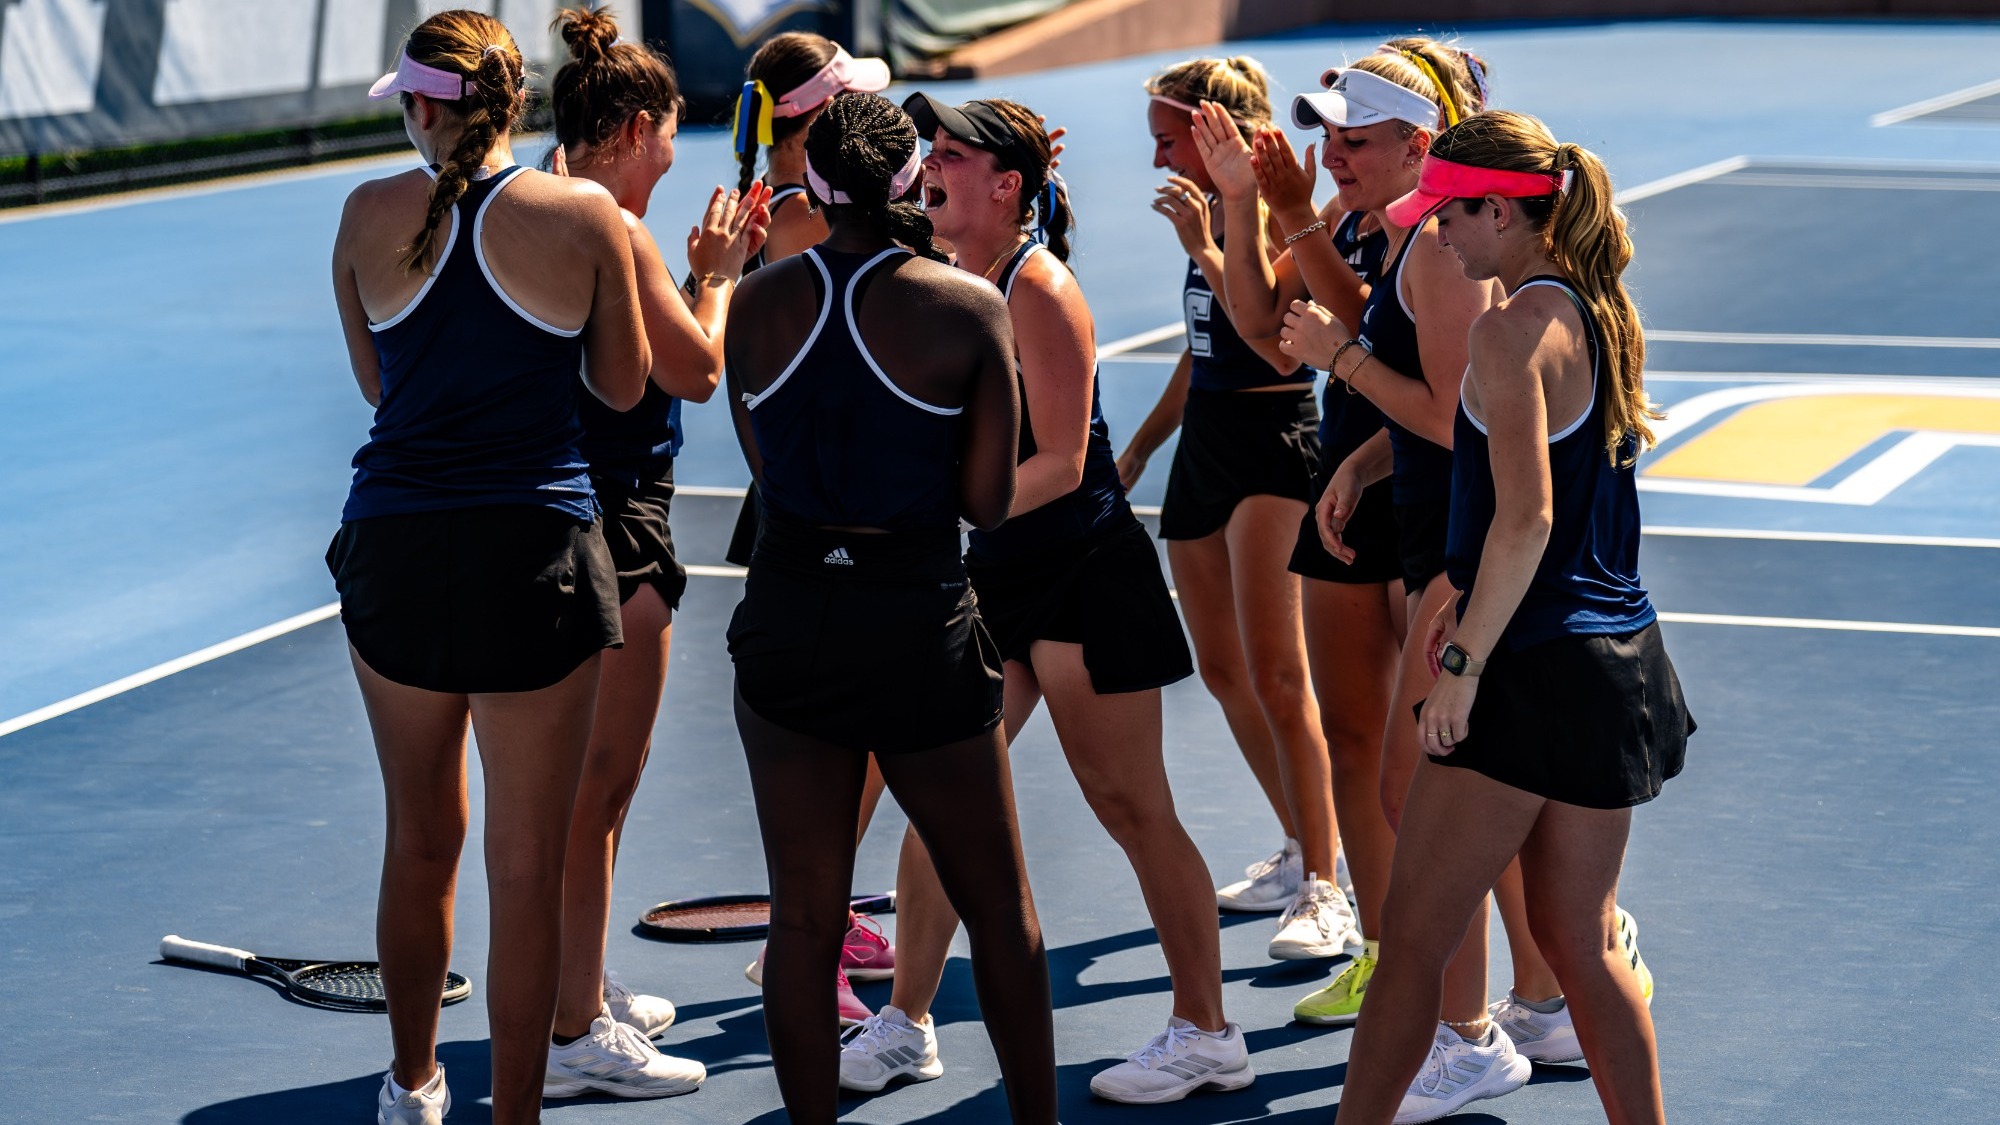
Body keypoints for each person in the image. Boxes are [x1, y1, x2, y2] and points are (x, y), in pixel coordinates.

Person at [832, 93, 1250, 1105]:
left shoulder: (1039, 288)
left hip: (1076, 573)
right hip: (989, 579)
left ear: (1005, 184)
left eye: (947, 154)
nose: (926, 164)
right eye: (923, 151)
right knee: (940, 805)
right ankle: (906, 1024)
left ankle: (1207, 1031)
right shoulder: (936, 273)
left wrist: (933, 511)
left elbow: (1062, 462)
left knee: (1130, 806)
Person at [1301, 108, 1691, 1125]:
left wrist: (1464, 659)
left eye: (1449, 217)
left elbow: (1524, 516)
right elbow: (1513, 453)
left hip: (1524, 666)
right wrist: (1371, 458)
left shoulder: (1503, 328)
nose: (1436, 236)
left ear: (1502, 213)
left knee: (1410, 947)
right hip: (1616, 662)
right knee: (1582, 944)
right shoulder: (1600, 311)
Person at [326, 11, 648, 1125]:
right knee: (523, 862)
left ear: (423, 106)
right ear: (512, 105)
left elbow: (381, 391)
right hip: (536, 557)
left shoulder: (364, 214)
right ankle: (513, 1116)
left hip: (396, 553)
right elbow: (621, 387)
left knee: (419, 839)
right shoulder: (584, 217)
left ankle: (412, 1086)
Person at [723, 91, 1057, 1125]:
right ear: (911, 180)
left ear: (811, 186)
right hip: (918, 628)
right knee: (998, 911)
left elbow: (766, 471)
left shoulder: (755, 304)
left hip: (787, 625)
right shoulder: (964, 305)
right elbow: (989, 500)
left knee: (804, 920)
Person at [537, 5, 767, 1099]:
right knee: (600, 791)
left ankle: (577, 981)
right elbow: (695, 371)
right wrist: (718, 271)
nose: (678, 152)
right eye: (672, 132)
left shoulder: (529, 200)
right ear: (634, 127)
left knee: (586, 794)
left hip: (550, 514)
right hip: (616, 523)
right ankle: (576, 1032)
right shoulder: (614, 228)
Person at [1116, 56, 1360, 965]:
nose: (1156, 161)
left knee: (1280, 675)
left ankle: (1327, 887)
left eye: (1167, 140)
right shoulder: (1211, 215)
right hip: (1205, 446)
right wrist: (1144, 444)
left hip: (1274, 445)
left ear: (1215, 133)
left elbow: (1277, 346)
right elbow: (1203, 345)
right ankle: (1300, 839)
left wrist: (1209, 251)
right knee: (1222, 672)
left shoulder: (1280, 214)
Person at [724, 30, 908, 1027]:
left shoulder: (784, 209)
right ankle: (805, 939)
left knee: (862, 735)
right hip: (833, 509)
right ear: (813, 117)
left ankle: (822, 916)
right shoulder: (801, 222)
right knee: (840, 740)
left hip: (825, 498)